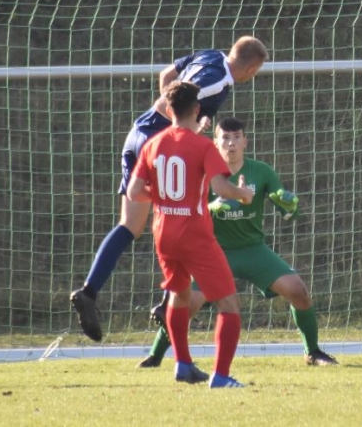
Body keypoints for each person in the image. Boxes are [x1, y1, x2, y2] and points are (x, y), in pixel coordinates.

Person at [70, 36, 269, 342]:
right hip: (160, 146)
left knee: (132, 225)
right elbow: (166, 105)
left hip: (137, 135)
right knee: (186, 215)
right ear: (252, 69)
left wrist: (184, 124)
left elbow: (167, 76)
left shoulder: (210, 55)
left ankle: (89, 291)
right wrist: (186, 129)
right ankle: (167, 305)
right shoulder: (216, 82)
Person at [137, 117, 339, 370]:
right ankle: (155, 356)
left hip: (253, 250)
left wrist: (289, 205)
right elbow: (184, 208)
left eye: (236, 137)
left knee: (298, 291)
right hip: (211, 250)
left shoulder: (262, 171)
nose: (231, 143)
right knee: (185, 305)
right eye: (225, 137)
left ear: (245, 141)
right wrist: (212, 207)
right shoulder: (200, 170)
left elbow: (287, 209)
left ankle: (313, 352)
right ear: (215, 142)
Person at [126, 82, 254, 388]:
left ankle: (183, 364)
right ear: (197, 109)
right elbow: (221, 188)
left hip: (164, 233)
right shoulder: (202, 146)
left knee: (179, 295)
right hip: (194, 234)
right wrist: (243, 194)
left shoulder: (153, 144)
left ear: (169, 109)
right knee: (228, 304)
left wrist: (163, 198)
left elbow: (133, 191)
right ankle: (220, 376)